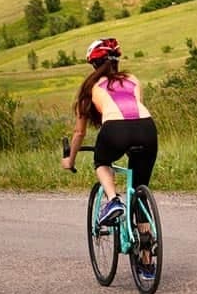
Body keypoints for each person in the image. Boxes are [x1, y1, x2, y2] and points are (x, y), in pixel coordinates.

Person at [61, 37, 158, 277]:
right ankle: (146, 263)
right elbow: (133, 111)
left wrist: (69, 161)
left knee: (102, 162)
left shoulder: (90, 87)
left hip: (115, 129)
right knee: (139, 192)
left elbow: (79, 132)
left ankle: (113, 200)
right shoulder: (133, 80)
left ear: (94, 64)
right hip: (147, 129)